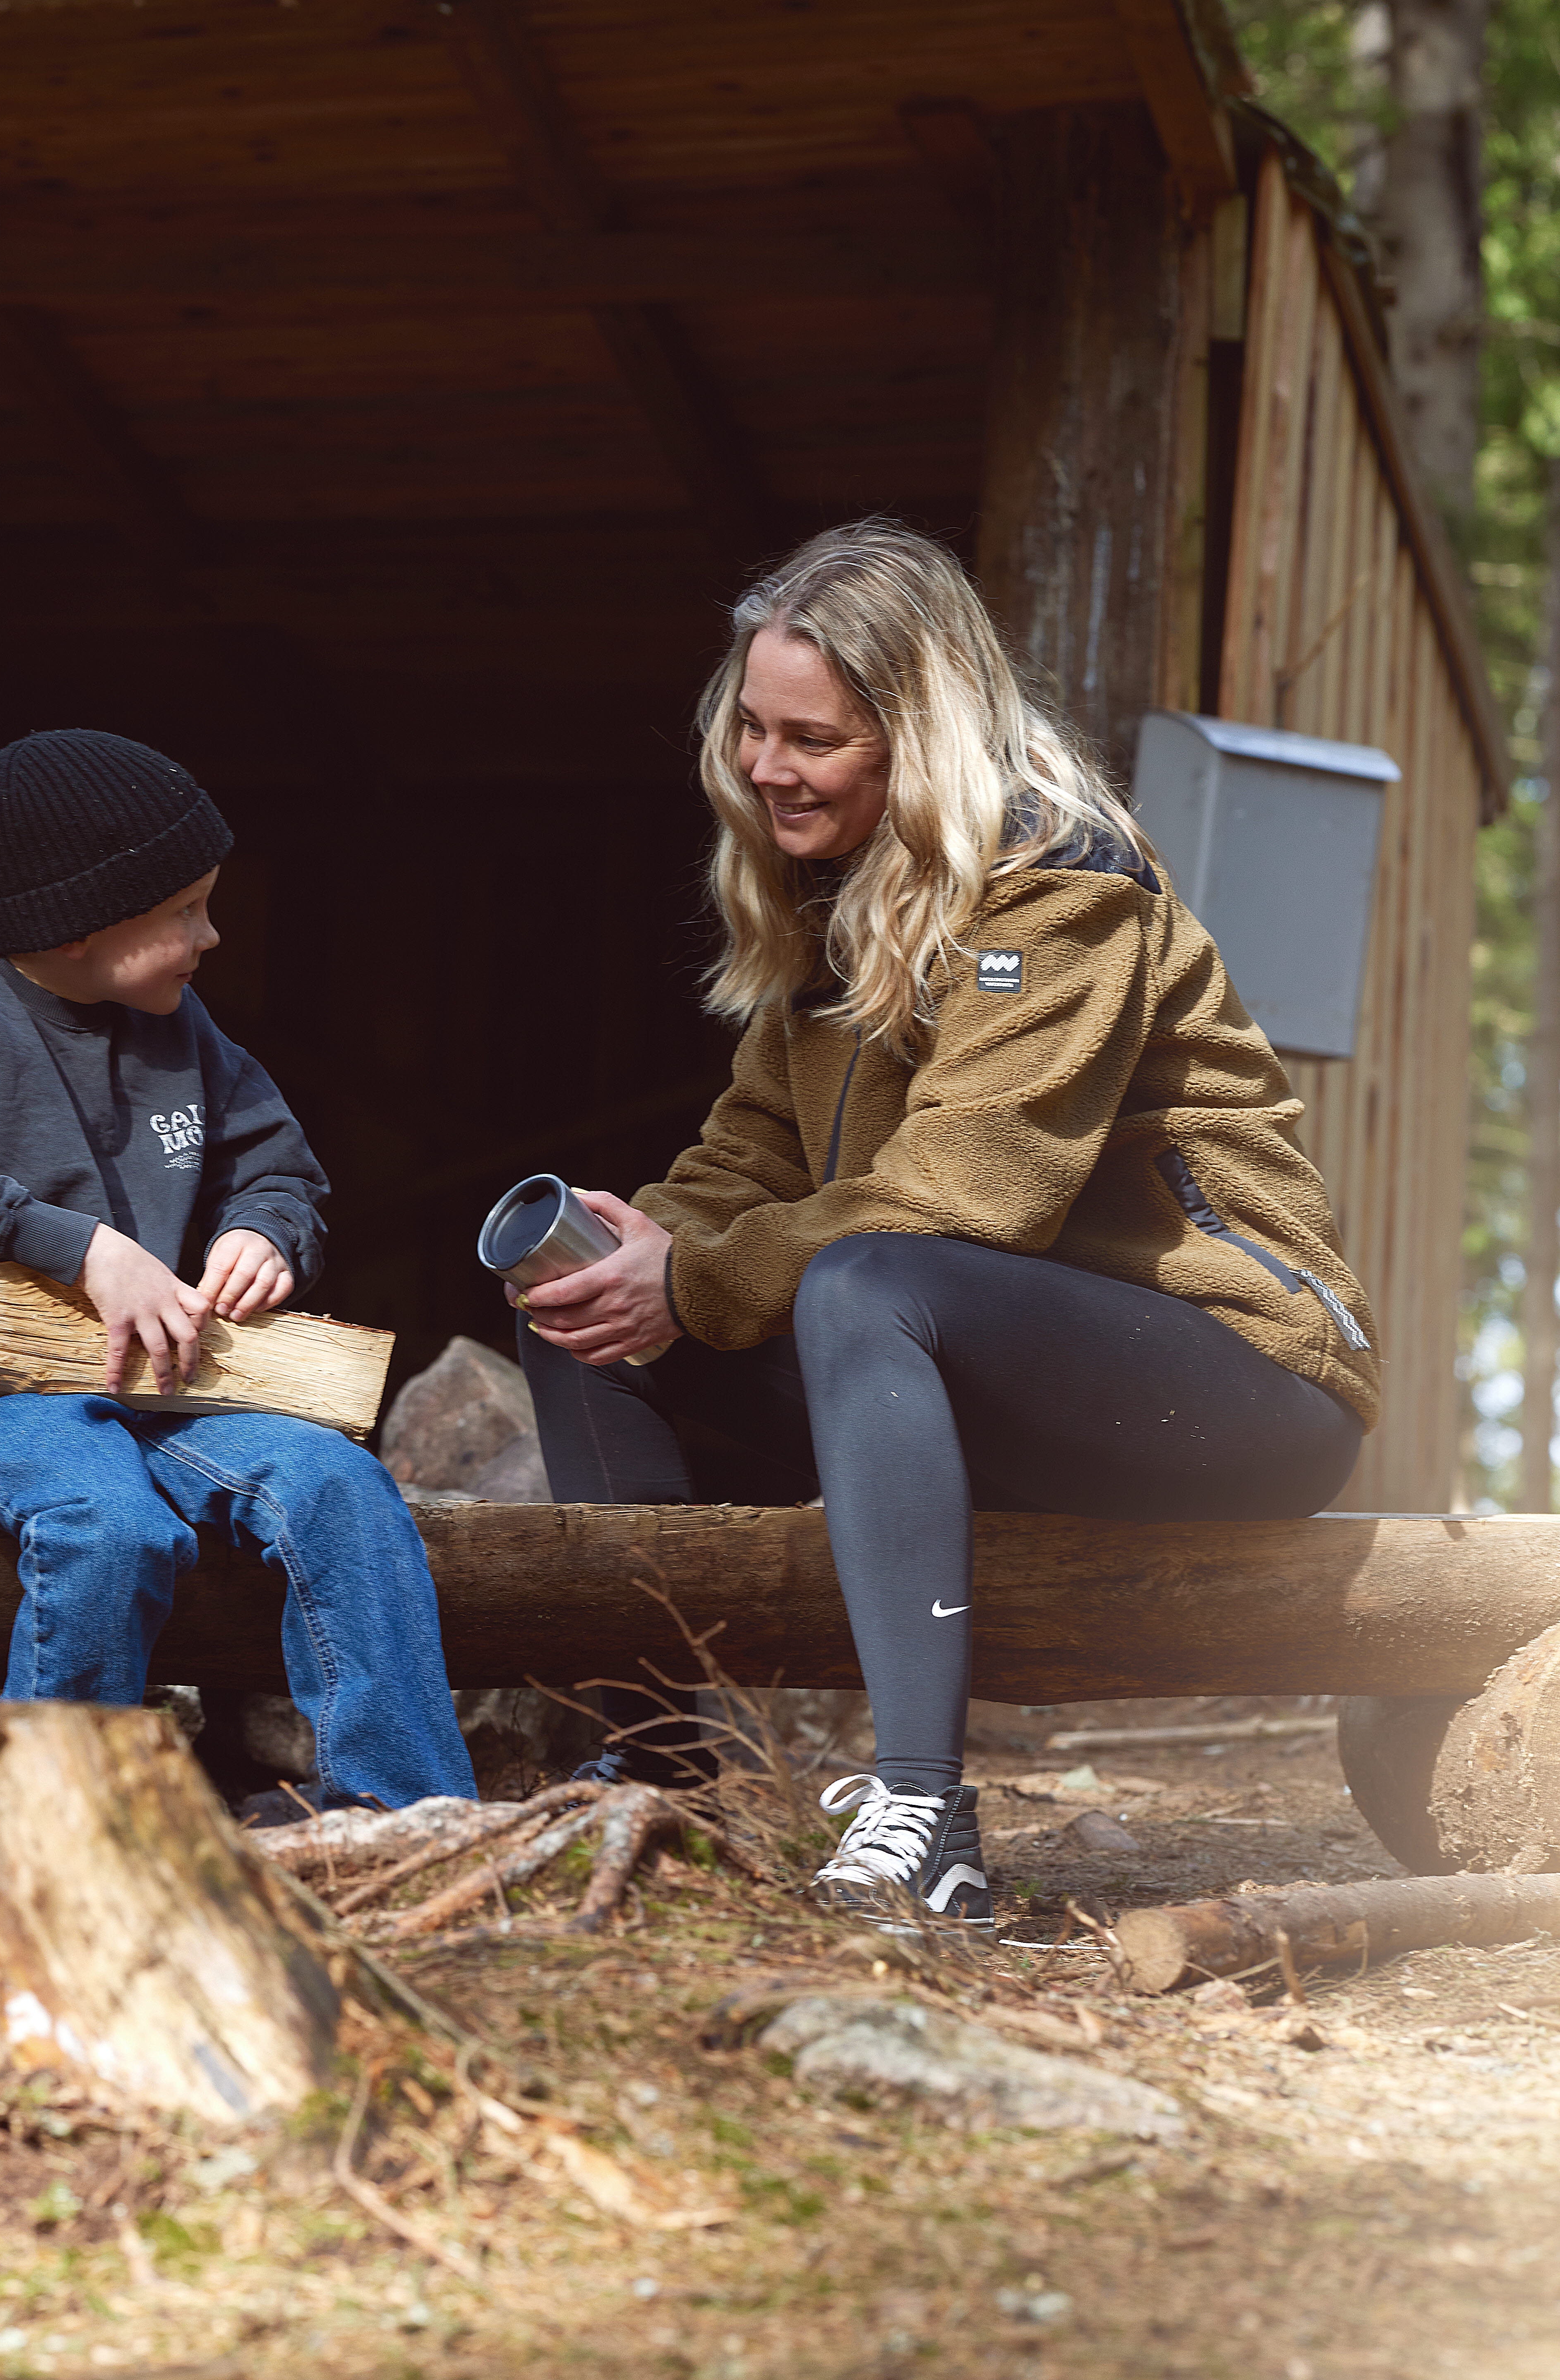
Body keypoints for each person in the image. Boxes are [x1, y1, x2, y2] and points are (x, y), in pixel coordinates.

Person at [511, 522, 1377, 1932]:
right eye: (751, 727)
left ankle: (926, 1811)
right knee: (592, 1322)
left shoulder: (1064, 883)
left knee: (865, 1284)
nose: (767, 767)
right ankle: (662, 1778)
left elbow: (972, 1198)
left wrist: (706, 1275)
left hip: (1243, 1369)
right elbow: (754, 1150)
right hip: (1005, 1370)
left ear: (915, 733)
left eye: (814, 738)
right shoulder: (837, 896)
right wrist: (645, 1249)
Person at [0, 727, 475, 1817]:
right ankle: (55, 1830)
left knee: (340, 1486)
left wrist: (261, 1233)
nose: (211, 935)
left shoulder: (186, 1032)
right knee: (109, 1523)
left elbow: (276, 1163)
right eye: (185, 910)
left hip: (163, 1380)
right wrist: (75, 1245)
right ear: (81, 918)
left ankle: (401, 1813)